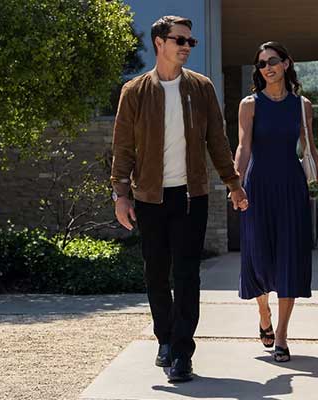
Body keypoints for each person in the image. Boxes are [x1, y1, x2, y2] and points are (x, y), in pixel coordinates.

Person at [109, 15, 248, 383]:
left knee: (187, 274)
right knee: (156, 272)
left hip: (191, 198)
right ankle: (165, 339)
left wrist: (233, 184)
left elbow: (217, 141)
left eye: (191, 42)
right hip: (150, 198)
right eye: (180, 40)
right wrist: (121, 195)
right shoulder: (134, 91)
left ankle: (182, 351)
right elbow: (122, 149)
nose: (186, 46)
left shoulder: (201, 88)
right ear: (160, 42)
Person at [234, 41, 318, 363]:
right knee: (259, 256)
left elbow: (310, 147)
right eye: (261, 64)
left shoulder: (302, 106)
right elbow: (244, 147)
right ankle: (264, 314)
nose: (267, 68)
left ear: (287, 63)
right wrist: (235, 184)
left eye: (273, 61)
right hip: (257, 187)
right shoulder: (249, 104)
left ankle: (282, 336)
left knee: (289, 258)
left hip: (291, 187)